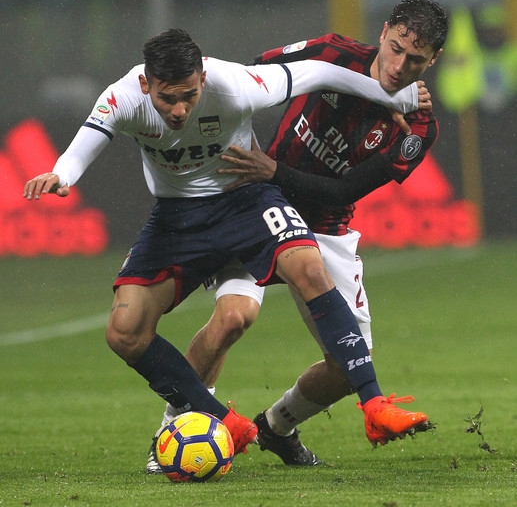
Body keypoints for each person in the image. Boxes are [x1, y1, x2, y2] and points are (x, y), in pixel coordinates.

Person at [23, 27, 429, 460]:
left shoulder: (235, 86)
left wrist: (391, 96)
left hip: (246, 201)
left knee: (310, 269)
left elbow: (316, 72)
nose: (179, 110)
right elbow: (90, 136)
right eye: (167, 99)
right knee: (125, 332)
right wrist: (62, 174)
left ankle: (374, 403)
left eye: (189, 96)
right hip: (178, 217)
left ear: (203, 77)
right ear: (146, 84)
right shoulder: (124, 97)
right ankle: (221, 422)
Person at [146, 0, 449, 470]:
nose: (399, 66)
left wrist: (273, 170)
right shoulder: (330, 54)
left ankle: (276, 426)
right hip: (257, 205)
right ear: (384, 32)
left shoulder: (419, 127)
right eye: (395, 48)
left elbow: (345, 190)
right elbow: (252, 74)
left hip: (325, 226)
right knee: (232, 318)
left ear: (433, 60)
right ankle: (173, 427)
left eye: (415, 59)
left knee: (350, 366)